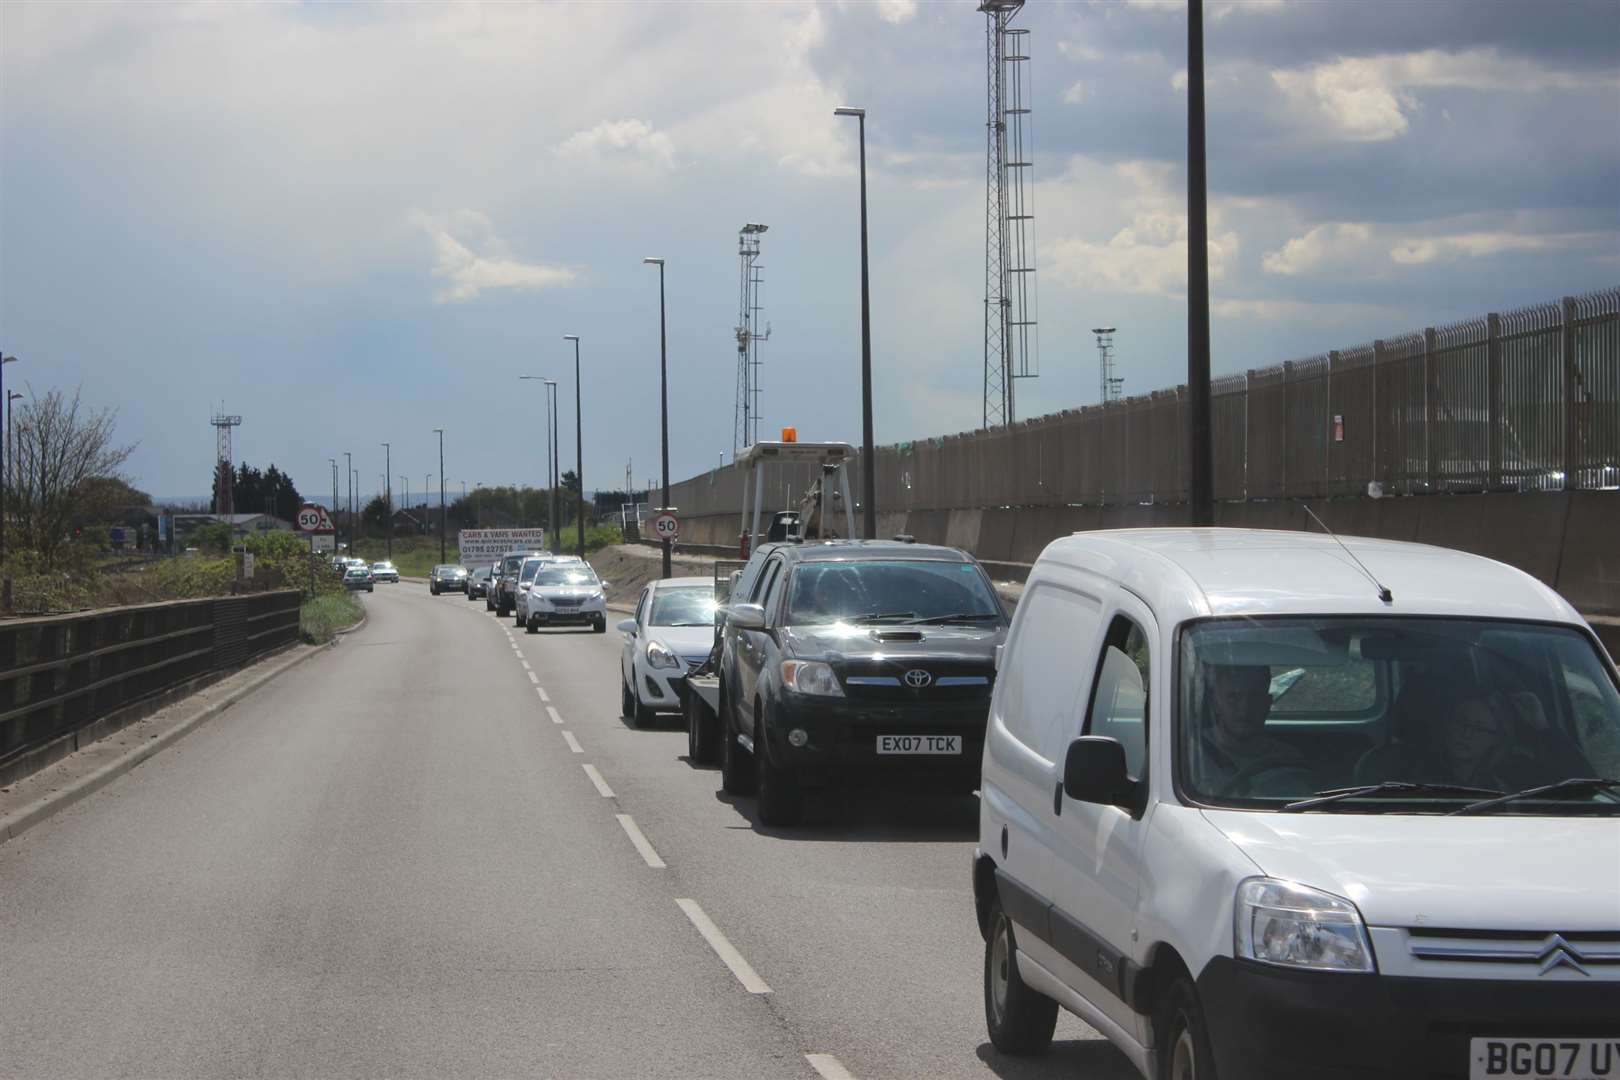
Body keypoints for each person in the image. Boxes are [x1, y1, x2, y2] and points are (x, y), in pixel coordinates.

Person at [1193, 664, 1310, 797]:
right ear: (1216, 704)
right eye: (1233, 698)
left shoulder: (1288, 759)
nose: (1245, 709)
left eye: (1255, 697)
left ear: (1267, 704)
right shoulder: (1191, 755)